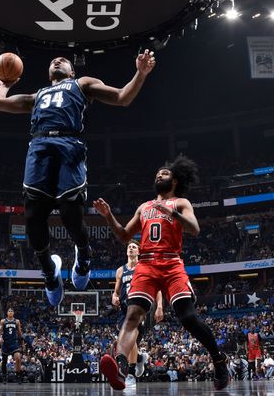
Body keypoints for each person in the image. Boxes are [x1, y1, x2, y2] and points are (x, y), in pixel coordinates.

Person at [0, 51, 157, 305]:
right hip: (39, 146)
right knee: (34, 216)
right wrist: (4, 84)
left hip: (69, 144)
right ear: (49, 74)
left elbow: (123, 97)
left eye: (63, 60)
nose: (56, 60)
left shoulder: (82, 84)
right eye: (52, 60)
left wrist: (140, 74)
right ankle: (49, 271)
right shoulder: (38, 95)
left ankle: (84, 254)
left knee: (70, 213)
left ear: (72, 71)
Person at [94, 155, 230, 390]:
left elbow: (195, 229)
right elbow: (124, 236)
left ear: (175, 180)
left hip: (171, 262)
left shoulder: (180, 203)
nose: (159, 175)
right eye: (157, 173)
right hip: (146, 264)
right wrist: (108, 216)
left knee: (187, 317)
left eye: (164, 173)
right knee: (132, 314)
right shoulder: (144, 207)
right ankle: (120, 367)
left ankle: (219, 359)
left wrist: (172, 215)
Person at [112, 240, 163, 388]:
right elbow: (115, 291)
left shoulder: (145, 267)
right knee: (123, 341)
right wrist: (114, 297)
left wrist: (159, 306)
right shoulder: (120, 270)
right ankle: (140, 358)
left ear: (139, 252)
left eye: (134, 247)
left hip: (138, 307)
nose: (131, 248)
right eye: (129, 247)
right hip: (123, 309)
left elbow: (157, 288)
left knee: (131, 338)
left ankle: (131, 374)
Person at [0, 307, 24, 383]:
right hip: (5, 343)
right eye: (9, 311)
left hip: (14, 343)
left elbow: (19, 333)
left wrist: (22, 342)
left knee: (18, 358)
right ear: (7, 313)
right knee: (4, 361)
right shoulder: (3, 321)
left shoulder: (17, 321)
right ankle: (4, 376)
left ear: (13, 313)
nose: (10, 312)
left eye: (12, 311)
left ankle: (18, 375)